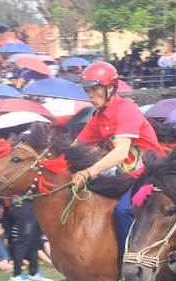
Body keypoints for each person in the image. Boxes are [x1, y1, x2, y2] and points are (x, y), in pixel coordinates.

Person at [70, 61, 164, 249]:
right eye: (87, 91)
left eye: (94, 89)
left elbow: (121, 152)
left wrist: (88, 172)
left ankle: (133, 261)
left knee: (123, 211)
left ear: (110, 88)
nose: (90, 95)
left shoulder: (126, 110)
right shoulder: (98, 118)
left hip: (153, 174)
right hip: (128, 177)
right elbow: (75, 147)